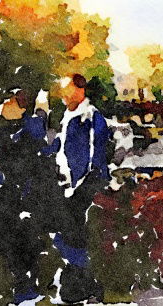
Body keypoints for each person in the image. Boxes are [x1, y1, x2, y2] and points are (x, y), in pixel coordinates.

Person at [0, 90, 60, 304]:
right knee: (7, 241)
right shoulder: (3, 127)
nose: (4, 105)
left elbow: (41, 121)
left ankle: (24, 285)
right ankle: (14, 284)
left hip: (23, 196)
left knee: (22, 241)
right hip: (11, 195)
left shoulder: (25, 129)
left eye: (10, 102)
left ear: (21, 108)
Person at [53, 74, 110, 304]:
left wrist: (79, 187)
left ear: (81, 90)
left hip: (82, 186)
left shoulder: (92, 117)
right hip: (65, 184)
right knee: (63, 233)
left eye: (67, 90)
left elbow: (97, 158)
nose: (63, 95)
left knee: (75, 234)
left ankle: (80, 285)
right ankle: (78, 281)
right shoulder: (65, 116)